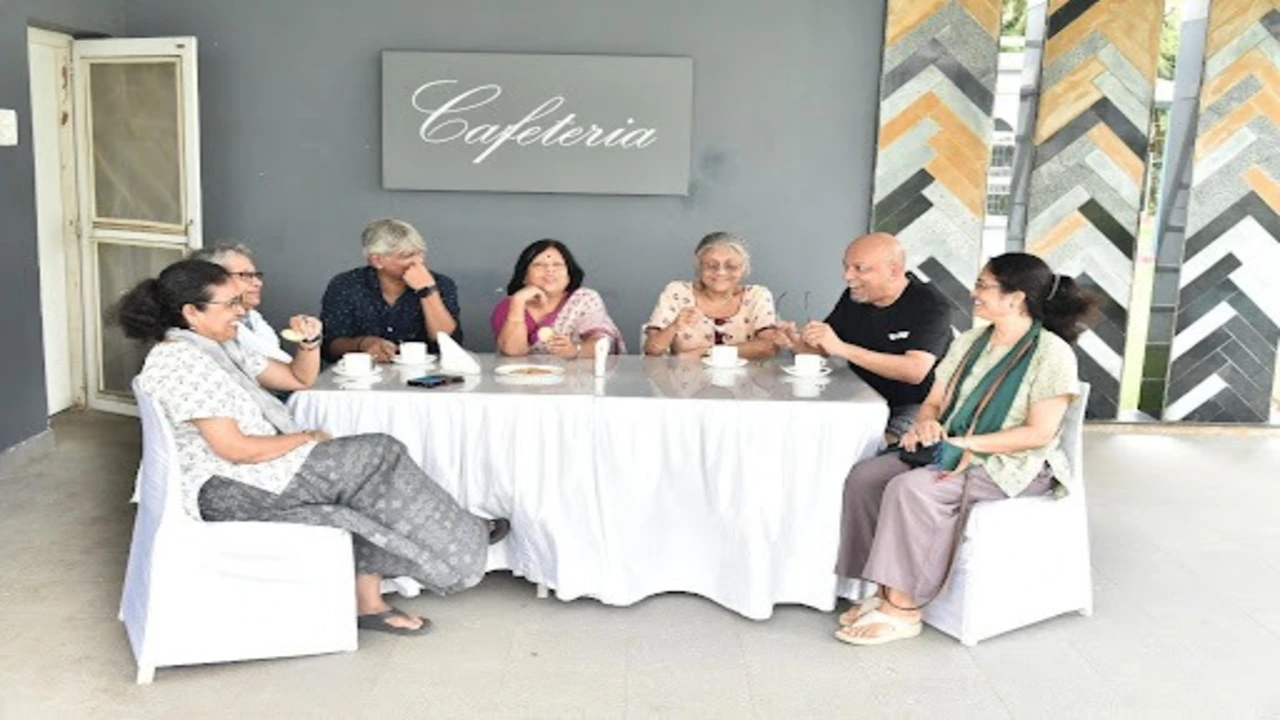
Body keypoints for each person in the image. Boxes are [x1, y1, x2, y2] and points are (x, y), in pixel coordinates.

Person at [116, 259, 509, 636]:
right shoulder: (181, 361)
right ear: (192, 312)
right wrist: (303, 438)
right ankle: (458, 553)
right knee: (378, 455)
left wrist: (310, 344)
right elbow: (234, 448)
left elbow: (296, 378)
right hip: (233, 488)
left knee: (372, 468)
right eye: (231, 303)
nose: (243, 310)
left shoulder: (220, 347)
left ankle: (398, 584)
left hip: (259, 472)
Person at [831, 252, 1098, 646]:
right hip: (954, 447)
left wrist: (965, 443)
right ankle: (879, 587)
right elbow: (935, 401)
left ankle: (903, 608)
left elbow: (1038, 434)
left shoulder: (1052, 354)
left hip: (1015, 464)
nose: (973, 293)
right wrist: (927, 423)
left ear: (1015, 297)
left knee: (913, 489)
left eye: (983, 286)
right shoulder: (972, 341)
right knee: (866, 476)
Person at [776, 232, 952, 444]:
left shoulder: (930, 304)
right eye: (846, 267)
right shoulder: (854, 297)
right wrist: (796, 343)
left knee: (870, 449)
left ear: (894, 271)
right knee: (804, 434)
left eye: (859, 268)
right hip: (860, 397)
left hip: (915, 406)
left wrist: (842, 348)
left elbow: (914, 371)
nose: (847, 276)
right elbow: (824, 348)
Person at [320, 218, 462, 364]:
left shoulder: (441, 283)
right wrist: (363, 344)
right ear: (377, 261)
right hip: (361, 375)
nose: (419, 262)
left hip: (427, 375)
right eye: (407, 256)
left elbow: (449, 343)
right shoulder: (346, 285)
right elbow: (329, 345)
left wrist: (427, 291)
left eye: (420, 254)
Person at [642, 231, 779, 359]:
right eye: (711, 265)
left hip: (745, 382)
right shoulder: (676, 292)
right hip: (685, 381)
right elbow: (652, 350)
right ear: (699, 267)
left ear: (744, 268)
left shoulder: (756, 295)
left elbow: (769, 347)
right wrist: (674, 326)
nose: (721, 272)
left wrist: (707, 352)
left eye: (731, 266)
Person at [491, 239, 625, 358]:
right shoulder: (510, 306)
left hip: (577, 381)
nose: (550, 270)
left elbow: (602, 342)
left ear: (569, 274)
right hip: (523, 381)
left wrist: (574, 350)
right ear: (524, 275)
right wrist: (518, 302)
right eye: (539, 265)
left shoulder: (584, 300)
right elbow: (514, 353)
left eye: (557, 265)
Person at [190, 243, 292, 363]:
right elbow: (288, 372)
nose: (258, 283)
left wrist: (309, 341)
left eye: (256, 275)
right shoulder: (213, 329)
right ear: (213, 280)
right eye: (245, 275)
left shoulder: (252, 317)